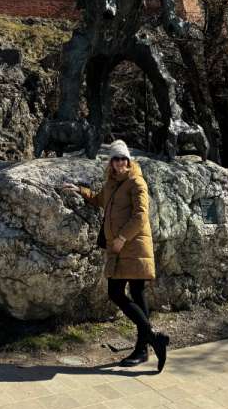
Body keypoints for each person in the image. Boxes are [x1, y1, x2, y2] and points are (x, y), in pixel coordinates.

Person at [62, 140, 169, 371]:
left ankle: (144, 346)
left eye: (123, 159)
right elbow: (101, 200)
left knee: (123, 292)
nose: (120, 163)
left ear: (129, 161)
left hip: (133, 246)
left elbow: (141, 215)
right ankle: (151, 341)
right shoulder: (112, 183)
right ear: (110, 162)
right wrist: (80, 191)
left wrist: (121, 238)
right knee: (127, 293)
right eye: (115, 159)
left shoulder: (136, 182)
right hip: (122, 248)